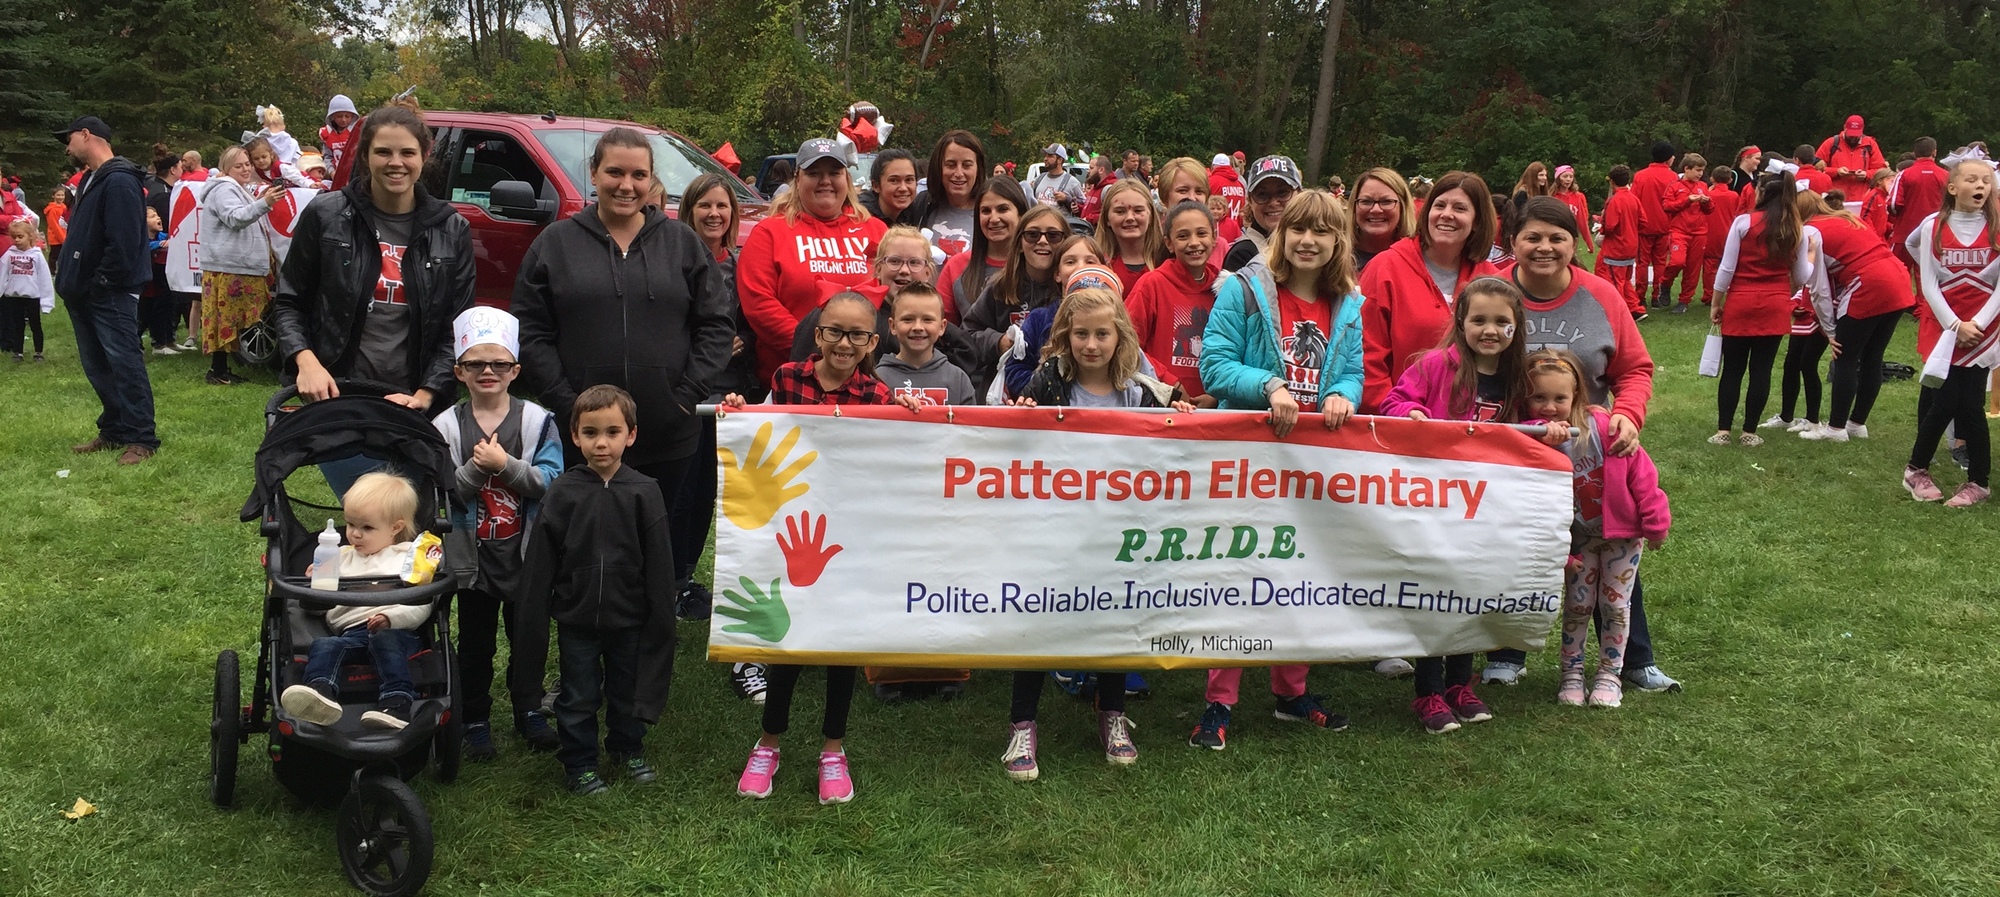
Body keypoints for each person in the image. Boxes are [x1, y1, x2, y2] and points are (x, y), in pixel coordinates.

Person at [722, 293, 923, 805]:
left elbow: (895, 460)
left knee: (840, 645)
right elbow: (765, 432)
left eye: (858, 335)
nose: (844, 343)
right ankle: (768, 743)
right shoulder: (787, 378)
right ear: (818, 333)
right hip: (795, 532)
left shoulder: (879, 396)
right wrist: (739, 414)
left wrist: (910, 414)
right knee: (792, 638)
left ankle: (833, 749)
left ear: (874, 342)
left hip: (847, 539)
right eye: (834, 331)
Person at [1191, 188, 1365, 749]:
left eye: (1323, 231)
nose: (1309, 241)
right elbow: (1215, 366)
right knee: (1238, 574)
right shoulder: (1242, 290)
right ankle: (1219, 701)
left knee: (1302, 576)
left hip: (1310, 463)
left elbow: (1352, 370)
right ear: (1281, 236)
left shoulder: (1348, 303)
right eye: (1298, 229)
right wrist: (1267, 385)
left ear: (1339, 240)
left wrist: (1341, 394)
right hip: (1248, 458)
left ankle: (1292, 690)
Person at [1504, 196, 1674, 693]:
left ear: (1575, 243)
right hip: (1516, 455)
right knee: (1523, 552)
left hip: (1592, 456)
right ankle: (1507, 653)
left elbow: (1635, 369)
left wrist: (1626, 415)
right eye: (1532, 236)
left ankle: (1632, 659)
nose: (1544, 247)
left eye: (1557, 237)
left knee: (1612, 546)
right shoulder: (1493, 293)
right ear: (1512, 242)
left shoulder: (1600, 295)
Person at [273, 105, 475, 493]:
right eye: (383, 152)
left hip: (414, 406)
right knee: (364, 516)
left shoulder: (451, 229)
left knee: (409, 526)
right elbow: (289, 301)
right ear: (365, 156)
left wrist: (427, 393)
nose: (395, 163)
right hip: (339, 396)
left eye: (407, 153)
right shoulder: (327, 215)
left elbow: (457, 325)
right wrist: (306, 361)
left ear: (424, 155)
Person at [511, 385, 677, 795]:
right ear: (574, 435)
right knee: (578, 694)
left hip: (630, 619)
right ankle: (580, 762)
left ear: (631, 435)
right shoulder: (562, 492)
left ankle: (628, 747)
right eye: (590, 433)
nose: (601, 443)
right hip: (577, 619)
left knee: (626, 689)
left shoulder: (645, 491)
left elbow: (659, 564)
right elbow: (539, 567)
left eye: (612, 432)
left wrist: (659, 618)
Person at [1377, 276, 1525, 732]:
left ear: (1517, 327)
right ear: (1460, 322)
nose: (1489, 330)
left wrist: (1549, 429)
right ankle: (1428, 691)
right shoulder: (1436, 365)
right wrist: (1412, 415)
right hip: (1436, 504)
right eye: (1478, 319)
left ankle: (1461, 683)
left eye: (1502, 321)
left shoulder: (1519, 376)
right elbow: (1393, 402)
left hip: (1487, 507)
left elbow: (1535, 420)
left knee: (1471, 590)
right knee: (1435, 595)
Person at [429, 307, 567, 758]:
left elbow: (550, 481)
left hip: (527, 556)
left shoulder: (536, 421)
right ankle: (475, 718)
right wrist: (477, 467)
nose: (488, 372)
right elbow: (445, 494)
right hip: (472, 561)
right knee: (475, 642)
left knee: (529, 638)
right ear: (459, 372)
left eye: (499, 364)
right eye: (476, 364)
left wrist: (504, 466)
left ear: (515, 371)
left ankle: (529, 708)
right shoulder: (446, 427)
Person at [1523, 349, 1671, 709]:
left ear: (1576, 394)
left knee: (1615, 605)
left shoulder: (1606, 427)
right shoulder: (1530, 439)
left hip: (1621, 537)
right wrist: (1546, 445)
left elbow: (1643, 477)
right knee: (1577, 605)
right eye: (1539, 397)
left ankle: (1609, 674)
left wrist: (1655, 525)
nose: (1549, 406)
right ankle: (1571, 675)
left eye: (1559, 397)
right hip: (1578, 539)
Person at [278, 471, 428, 731]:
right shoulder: (337, 556)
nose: (355, 534)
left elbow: (423, 603)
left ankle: (396, 702)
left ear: (396, 527)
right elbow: (315, 609)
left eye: (367, 528)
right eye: (350, 524)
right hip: (351, 633)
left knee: (386, 641)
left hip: (397, 631)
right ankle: (320, 694)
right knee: (325, 645)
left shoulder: (408, 557)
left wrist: (391, 618)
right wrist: (316, 586)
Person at [736, 137, 888, 382]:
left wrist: (856, 352)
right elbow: (759, 305)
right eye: (814, 173)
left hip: (866, 380)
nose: (825, 181)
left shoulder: (876, 230)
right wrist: (820, 351)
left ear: (846, 179)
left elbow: (893, 293)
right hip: (792, 380)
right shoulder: (769, 232)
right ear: (797, 179)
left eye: (834, 172)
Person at [54, 115, 159, 466]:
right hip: (86, 292)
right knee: (99, 365)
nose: (66, 147)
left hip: (108, 292)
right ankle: (114, 429)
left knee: (124, 363)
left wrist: (101, 282)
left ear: (87, 135)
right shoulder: (91, 179)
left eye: (68, 139)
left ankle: (141, 437)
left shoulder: (118, 181)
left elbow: (126, 242)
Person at [1901, 156, 2000, 507]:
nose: (1980, 186)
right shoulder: (1933, 226)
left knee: (1970, 404)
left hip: (1984, 332)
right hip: (1948, 328)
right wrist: (1956, 325)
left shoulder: (1998, 225)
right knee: (1946, 400)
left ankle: (1976, 481)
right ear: (1953, 187)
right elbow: (1928, 283)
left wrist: (1978, 325)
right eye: (1972, 180)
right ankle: (1918, 471)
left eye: (1986, 181)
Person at [1358, 170, 1499, 411]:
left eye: (1460, 208)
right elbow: (1367, 358)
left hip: (1470, 427)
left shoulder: (1492, 280)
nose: (1446, 215)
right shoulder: (1385, 268)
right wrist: (1393, 414)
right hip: (1398, 422)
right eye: (1439, 205)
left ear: (1477, 221)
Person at [1710, 158, 1816, 446]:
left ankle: (1723, 430)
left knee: (1733, 368)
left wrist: (1716, 302)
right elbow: (1802, 276)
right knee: (1762, 369)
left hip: (1741, 302)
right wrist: (1810, 257)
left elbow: (1727, 269)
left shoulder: (1743, 223)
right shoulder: (1797, 229)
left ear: (1762, 193)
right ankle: (1749, 431)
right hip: (1775, 305)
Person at [1799, 192, 1914, 442]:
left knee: (1845, 357)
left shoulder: (1811, 231)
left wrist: (1830, 331)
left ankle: (1836, 429)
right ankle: (1857, 424)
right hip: (1898, 278)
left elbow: (1818, 287)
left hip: (1869, 283)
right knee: (1873, 357)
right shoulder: (1849, 218)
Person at [1016, 286, 1195, 412]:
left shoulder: (1140, 393)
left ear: (1119, 337)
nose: (1091, 345)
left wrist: (1176, 419)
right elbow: (1019, 447)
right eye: (1081, 334)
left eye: (1102, 334)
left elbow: (1161, 451)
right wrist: (1020, 416)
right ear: (1067, 335)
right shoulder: (1045, 384)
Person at [965, 204, 1068, 395]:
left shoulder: (1072, 289)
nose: (1043, 241)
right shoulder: (1000, 287)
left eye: (1053, 235)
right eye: (1032, 235)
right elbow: (968, 334)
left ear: (1066, 242)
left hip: (1061, 393)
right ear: (1020, 243)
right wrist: (998, 342)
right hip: (1005, 392)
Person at [1126, 200, 1220, 407]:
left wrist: (1218, 395)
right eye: (1183, 236)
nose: (1194, 242)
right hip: (1162, 408)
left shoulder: (1224, 289)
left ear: (1214, 238)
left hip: (1215, 412)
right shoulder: (1152, 285)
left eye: (1202, 233)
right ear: (1169, 243)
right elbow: (1126, 344)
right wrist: (1170, 384)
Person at [198, 145, 279, 386]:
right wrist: (265, 202)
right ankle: (218, 370)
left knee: (229, 319)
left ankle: (221, 368)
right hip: (229, 267)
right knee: (225, 319)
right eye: (239, 165)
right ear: (226, 168)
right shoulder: (224, 190)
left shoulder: (234, 188)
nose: (246, 169)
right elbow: (235, 218)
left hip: (234, 264)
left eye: (247, 164)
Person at [1768, 187, 1833, 434]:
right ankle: (1786, 416)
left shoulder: (1813, 232)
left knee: (1808, 363)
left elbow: (1816, 278)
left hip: (1819, 304)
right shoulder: (1808, 232)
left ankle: (1813, 419)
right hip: (1806, 301)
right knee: (1792, 362)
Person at [939, 178, 1026, 322]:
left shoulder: (1036, 265)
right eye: (985, 211)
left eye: (1002, 209)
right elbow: (942, 326)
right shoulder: (956, 266)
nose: (993, 218)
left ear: (1021, 214)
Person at [878, 282, 976, 406]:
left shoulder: (958, 379)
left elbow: (970, 424)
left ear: (942, 327)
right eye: (908, 319)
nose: (918, 327)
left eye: (927, 320)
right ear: (892, 326)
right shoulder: (878, 379)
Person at [900, 129, 985, 257]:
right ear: (938, 167)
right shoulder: (921, 206)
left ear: (978, 169)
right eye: (951, 165)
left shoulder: (990, 212)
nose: (959, 173)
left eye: (967, 165)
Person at [1220, 155, 1301, 274]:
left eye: (1282, 192)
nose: (1273, 202)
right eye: (1262, 194)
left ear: (1300, 194)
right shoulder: (1243, 255)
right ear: (1250, 201)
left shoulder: (1312, 245)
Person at [1661, 153, 1712, 311]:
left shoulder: (1703, 186)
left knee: (1693, 268)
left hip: (1699, 232)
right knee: (1677, 261)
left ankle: (1684, 301)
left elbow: (1710, 210)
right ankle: (1666, 283)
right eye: (1697, 170)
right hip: (1679, 231)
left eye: (1702, 170)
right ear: (1686, 169)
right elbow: (1667, 206)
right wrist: (1687, 200)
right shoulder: (1674, 186)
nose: (1700, 173)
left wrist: (1707, 202)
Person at [1889, 137, 1949, 269]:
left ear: (1915, 153)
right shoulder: (1946, 175)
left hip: (1905, 232)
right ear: (1934, 152)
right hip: (1934, 231)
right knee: (1927, 274)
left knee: (1899, 271)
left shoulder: (1904, 174)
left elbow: (1893, 204)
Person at [1093, 179, 1162, 293]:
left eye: (1138, 210)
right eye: (1120, 212)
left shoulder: (1166, 260)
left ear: (1151, 216)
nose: (1130, 217)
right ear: (1107, 219)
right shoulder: (1097, 265)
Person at [1632, 141, 1679, 307]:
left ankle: (1640, 296)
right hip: (1665, 225)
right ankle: (1657, 297)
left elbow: (1634, 200)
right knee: (1660, 263)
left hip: (1644, 226)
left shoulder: (1640, 176)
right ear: (1668, 158)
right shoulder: (1673, 177)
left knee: (1642, 263)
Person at [1595, 165, 1646, 318]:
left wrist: (1601, 226)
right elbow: (1643, 222)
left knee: (1612, 280)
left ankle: (1618, 312)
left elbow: (1610, 226)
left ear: (1611, 182)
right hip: (1631, 246)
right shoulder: (1633, 198)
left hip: (1615, 248)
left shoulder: (1614, 200)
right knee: (1625, 279)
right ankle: (1635, 309)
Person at [2, 219, 54, 362]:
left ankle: (38, 352)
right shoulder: (9, 255)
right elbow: (2, 274)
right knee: (17, 325)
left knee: (35, 324)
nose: (17, 240)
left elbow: (44, 279)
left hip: (32, 297)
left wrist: (47, 302)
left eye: (20, 236)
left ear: (30, 236)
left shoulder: (36, 256)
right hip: (14, 296)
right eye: (14, 237)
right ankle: (18, 352)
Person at [1350, 167, 1416, 273]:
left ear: (1403, 207)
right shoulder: (1334, 258)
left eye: (1386, 201)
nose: (1376, 210)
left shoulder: (1418, 258)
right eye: (1366, 201)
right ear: (1354, 207)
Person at [1818, 115, 1885, 201]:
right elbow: (1817, 169)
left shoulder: (1870, 144)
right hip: (1835, 199)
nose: (1853, 138)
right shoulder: (1831, 143)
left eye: (1856, 135)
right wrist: (1836, 172)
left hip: (1861, 199)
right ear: (1844, 127)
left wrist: (1866, 175)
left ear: (1863, 129)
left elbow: (1881, 171)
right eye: (1851, 135)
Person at [858, 149, 919, 224]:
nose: (903, 188)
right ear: (876, 186)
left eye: (909, 180)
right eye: (894, 180)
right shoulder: (860, 218)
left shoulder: (918, 214)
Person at [1026, 144, 1083, 215]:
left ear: (1059, 160)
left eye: (1050, 156)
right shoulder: (1039, 179)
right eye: (1045, 155)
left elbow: (1083, 206)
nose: (1045, 159)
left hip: (1060, 224)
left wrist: (1067, 199)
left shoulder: (1072, 182)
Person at [1550, 165, 1592, 253]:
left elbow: (1583, 219)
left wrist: (1589, 243)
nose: (1568, 179)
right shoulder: (1552, 197)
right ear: (1558, 178)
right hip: (1556, 232)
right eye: (1565, 176)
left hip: (1572, 233)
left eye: (1571, 176)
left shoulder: (1578, 196)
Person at [320, 94, 360, 185]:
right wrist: (331, 172)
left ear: (352, 116)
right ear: (332, 116)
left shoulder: (357, 132)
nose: (344, 120)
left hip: (355, 176)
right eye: (339, 116)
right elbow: (327, 156)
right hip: (337, 176)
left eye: (347, 116)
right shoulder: (327, 134)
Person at [1209, 153, 1246, 223]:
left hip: (1218, 228)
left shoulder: (1211, 182)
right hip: (1237, 229)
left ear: (1213, 166)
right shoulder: (1239, 184)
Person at [1860, 169, 1894, 242]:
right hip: (1874, 238)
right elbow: (1865, 216)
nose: (1891, 183)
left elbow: (1880, 218)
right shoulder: (1873, 196)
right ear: (1879, 181)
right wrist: (1874, 236)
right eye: (1889, 179)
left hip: (1881, 237)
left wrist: (1892, 227)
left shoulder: (1885, 197)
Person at [1080, 154, 1113, 225]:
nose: (1088, 171)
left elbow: (1111, 215)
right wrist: (1078, 208)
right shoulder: (1095, 187)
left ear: (1101, 170)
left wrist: (1088, 219)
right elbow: (1092, 210)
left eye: (1091, 168)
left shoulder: (1109, 189)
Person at [42, 187, 67, 275]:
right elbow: (54, 226)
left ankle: (61, 271)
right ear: (53, 196)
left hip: (64, 235)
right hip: (55, 237)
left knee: (63, 256)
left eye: (62, 195)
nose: (60, 197)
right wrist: (62, 238)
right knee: (54, 256)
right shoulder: (51, 209)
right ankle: (51, 272)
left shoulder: (65, 207)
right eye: (58, 195)